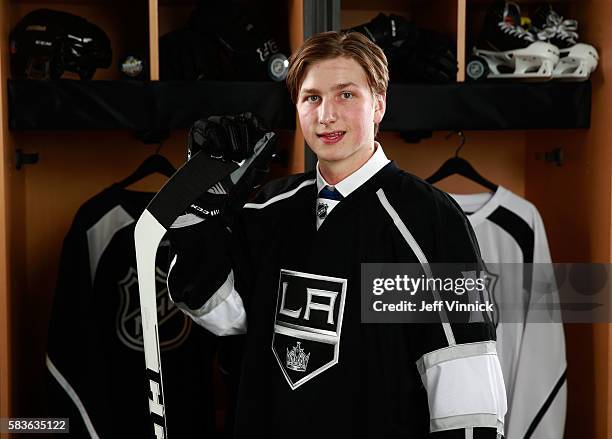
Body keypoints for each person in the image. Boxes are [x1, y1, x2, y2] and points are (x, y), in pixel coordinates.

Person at [167, 31, 507, 438]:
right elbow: (223, 316)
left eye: (346, 95)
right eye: (312, 97)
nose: (326, 115)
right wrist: (199, 205)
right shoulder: (267, 208)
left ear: (379, 103)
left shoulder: (429, 219)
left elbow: (462, 379)